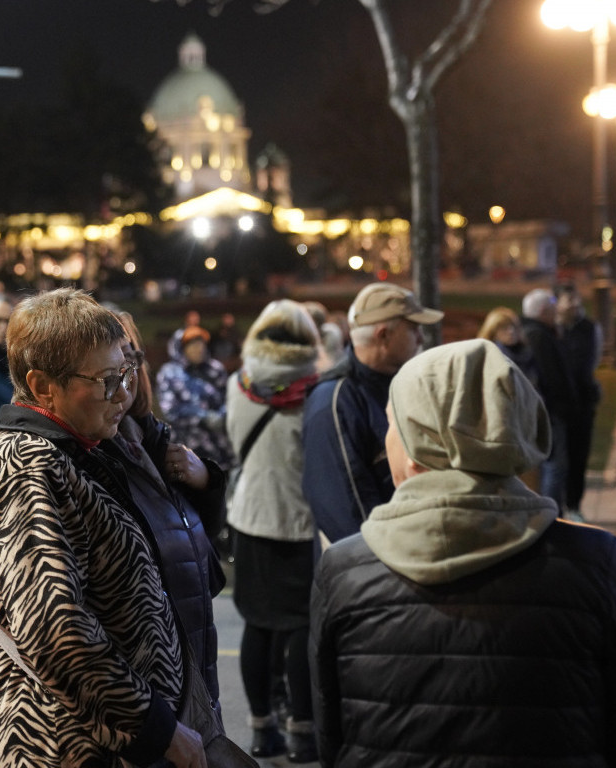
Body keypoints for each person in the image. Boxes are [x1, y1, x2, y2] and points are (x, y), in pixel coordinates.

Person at [310, 339, 616, 768]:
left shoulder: (343, 571)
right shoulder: (598, 564)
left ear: (419, 452)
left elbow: (331, 735)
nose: (386, 439)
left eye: (393, 425)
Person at [0, 288, 206, 767]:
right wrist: (156, 727)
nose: (122, 394)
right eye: (104, 380)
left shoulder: (77, 452)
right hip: (75, 750)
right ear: (43, 385)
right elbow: (54, 628)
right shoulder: (26, 468)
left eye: (125, 374)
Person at [105, 310, 227, 711]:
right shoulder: (99, 453)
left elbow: (199, 554)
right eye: (112, 363)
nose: (126, 375)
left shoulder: (149, 440)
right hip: (149, 693)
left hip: (194, 662)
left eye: (132, 359)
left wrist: (206, 481)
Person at [225, 300, 320, 762]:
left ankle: (262, 730)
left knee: (257, 625)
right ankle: (302, 732)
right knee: (301, 626)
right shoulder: (313, 391)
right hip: (298, 522)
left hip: (249, 518)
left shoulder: (238, 384)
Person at [302, 283, 442, 544]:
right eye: (413, 329)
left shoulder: (397, 383)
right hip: (375, 569)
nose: (421, 339)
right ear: (383, 335)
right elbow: (349, 517)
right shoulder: (333, 401)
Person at [519, 288, 578, 515]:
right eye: (553, 309)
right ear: (544, 311)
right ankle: (551, 515)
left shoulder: (540, 332)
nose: (556, 313)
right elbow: (552, 376)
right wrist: (562, 405)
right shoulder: (539, 335)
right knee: (554, 465)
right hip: (550, 412)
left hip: (547, 410)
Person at [156, 325, 235, 470]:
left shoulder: (215, 369)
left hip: (220, 449)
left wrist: (222, 416)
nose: (199, 348)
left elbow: (229, 398)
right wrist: (203, 417)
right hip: (187, 450)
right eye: (192, 344)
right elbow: (170, 410)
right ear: (181, 348)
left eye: (201, 343)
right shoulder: (169, 373)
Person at [556, 284, 602, 518]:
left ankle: (574, 505)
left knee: (579, 455)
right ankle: (557, 506)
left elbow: (592, 359)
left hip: (583, 401)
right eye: (568, 300)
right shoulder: (554, 329)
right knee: (557, 459)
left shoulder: (589, 328)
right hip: (560, 403)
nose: (574, 305)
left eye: (576, 300)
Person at [476, 306, 539, 387]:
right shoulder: (489, 357)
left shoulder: (528, 354)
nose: (511, 331)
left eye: (513, 326)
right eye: (504, 328)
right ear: (493, 332)